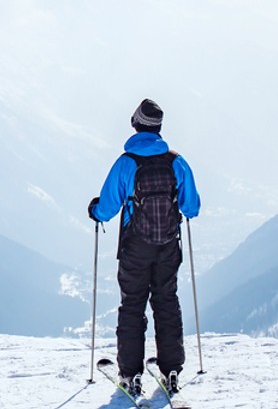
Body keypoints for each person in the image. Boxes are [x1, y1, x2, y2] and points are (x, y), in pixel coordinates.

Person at [88, 98, 200, 397]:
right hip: (167, 246)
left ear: (136, 125)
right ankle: (172, 368)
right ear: (159, 128)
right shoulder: (176, 162)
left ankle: (131, 374)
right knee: (166, 303)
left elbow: (108, 207)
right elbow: (192, 207)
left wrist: (95, 211)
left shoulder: (126, 163)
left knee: (132, 307)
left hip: (135, 248)